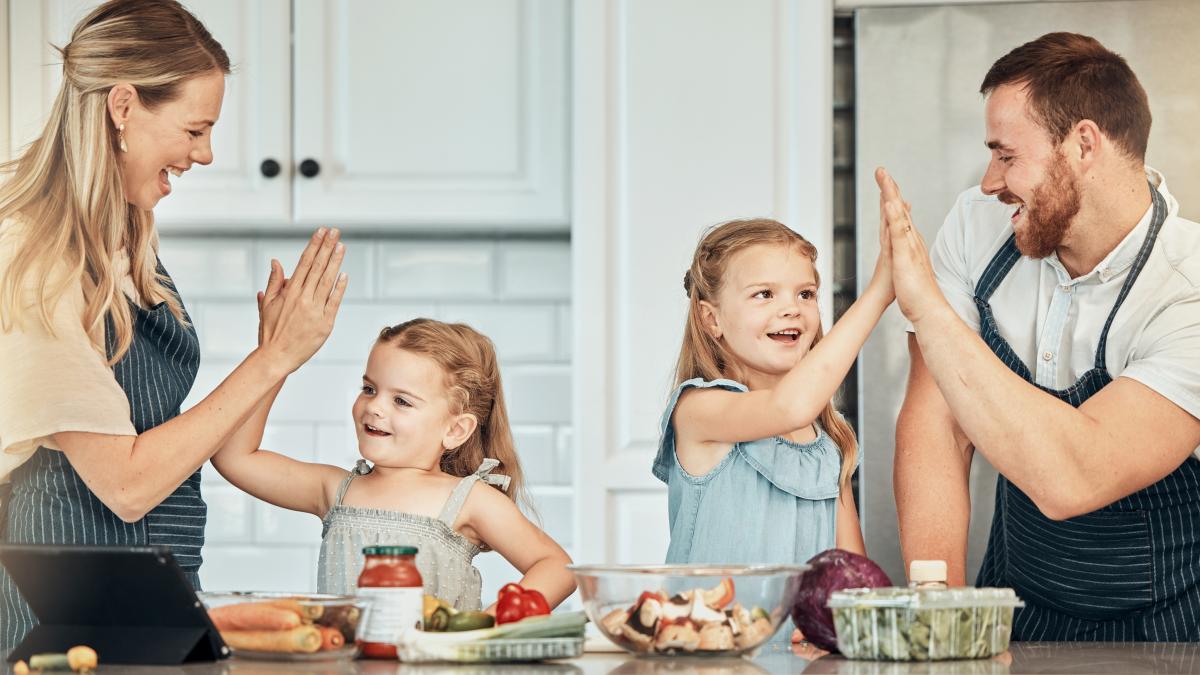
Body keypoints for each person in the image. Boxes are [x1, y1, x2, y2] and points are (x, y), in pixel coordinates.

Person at [0, 0, 346, 650]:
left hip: (154, 592)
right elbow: (126, 483)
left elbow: (194, 442)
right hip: (65, 623)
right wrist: (269, 360)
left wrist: (277, 353)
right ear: (124, 106)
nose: (207, 153)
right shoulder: (32, 258)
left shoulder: (128, 233)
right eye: (195, 129)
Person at [886, 32, 1200, 640]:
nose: (988, 182)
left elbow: (1072, 475)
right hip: (1015, 606)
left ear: (1083, 144)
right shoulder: (978, 229)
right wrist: (940, 614)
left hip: (1171, 628)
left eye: (1006, 156)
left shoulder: (1187, 286)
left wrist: (929, 311)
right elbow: (939, 427)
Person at [211, 318, 576, 611]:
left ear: (455, 429)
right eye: (369, 389)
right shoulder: (335, 490)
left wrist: (489, 628)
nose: (375, 407)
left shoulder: (470, 500)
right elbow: (234, 457)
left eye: (402, 401)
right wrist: (275, 359)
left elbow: (557, 568)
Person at [654, 217, 896, 567]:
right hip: (710, 624)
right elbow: (788, 408)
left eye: (806, 294)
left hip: (800, 626)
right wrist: (879, 293)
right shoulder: (698, 410)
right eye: (764, 294)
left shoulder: (829, 438)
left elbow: (851, 575)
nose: (791, 308)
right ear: (711, 320)